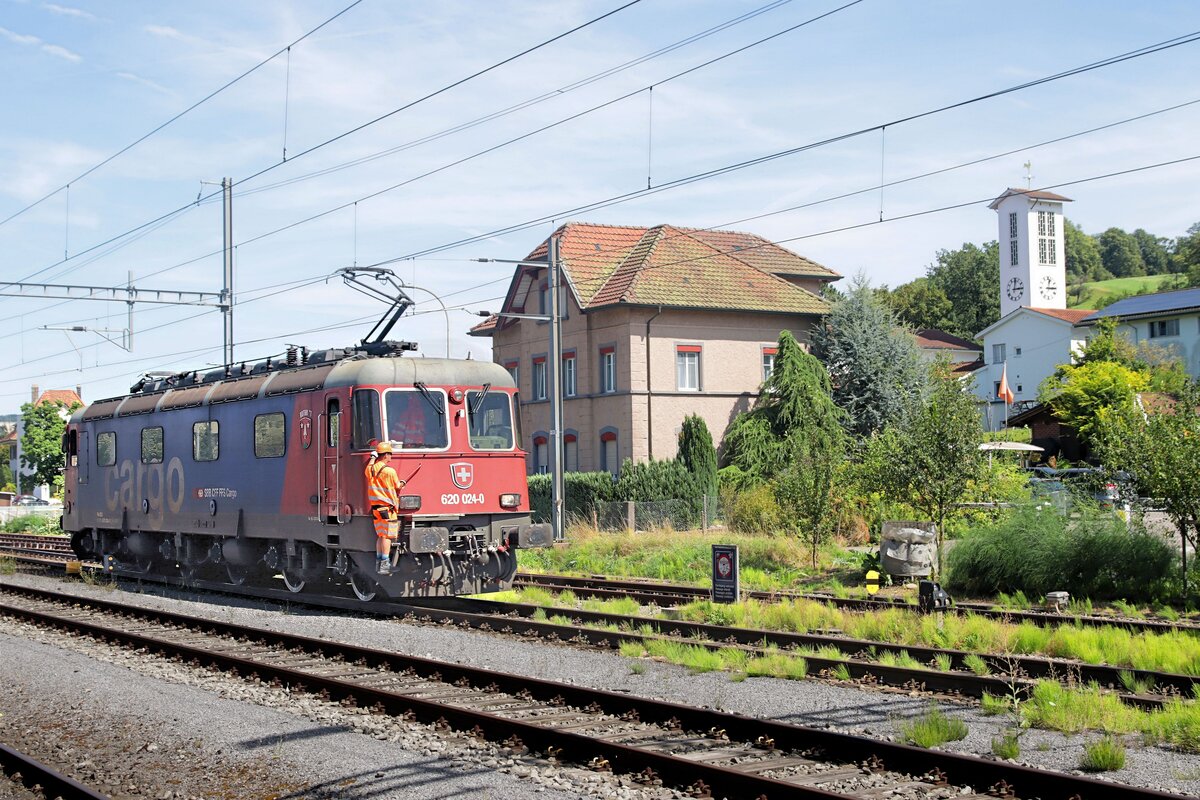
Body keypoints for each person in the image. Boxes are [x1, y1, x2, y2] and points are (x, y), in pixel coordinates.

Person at [365, 441, 405, 575]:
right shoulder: (390, 471)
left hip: (376, 508)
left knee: (381, 536)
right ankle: (385, 564)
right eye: (390, 454)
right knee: (387, 537)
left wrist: (372, 457)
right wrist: (402, 483)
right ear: (386, 455)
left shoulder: (370, 469)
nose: (391, 456)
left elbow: (370, 467)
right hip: (388, 509)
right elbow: (397, 486)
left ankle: (379, 563)